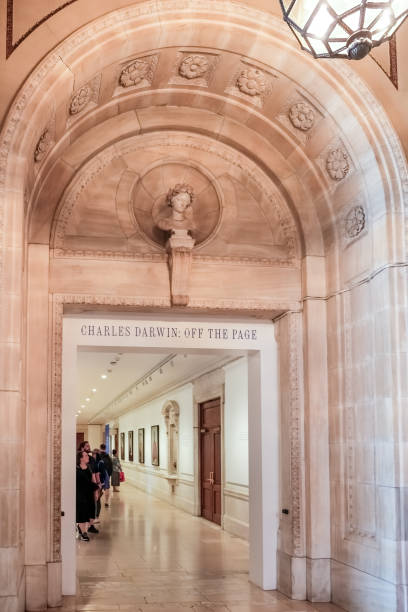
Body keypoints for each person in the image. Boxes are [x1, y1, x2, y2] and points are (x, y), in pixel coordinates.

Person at [76, 450, 98, 541]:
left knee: (90, 513)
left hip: (89, 493)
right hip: (80, 493)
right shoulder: (76, 468)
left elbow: (92, 480)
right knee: (82, 513)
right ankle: (83, 532)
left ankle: (83, 529)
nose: (88, 457)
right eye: (85, 456)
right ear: (81, 458)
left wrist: (96, 492)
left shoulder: (88, 467)